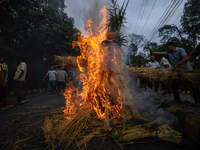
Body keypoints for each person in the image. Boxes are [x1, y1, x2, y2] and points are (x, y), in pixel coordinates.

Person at [150, 42, 200, 106]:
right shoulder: (168, 53)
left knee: (192, 85)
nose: (166, 49)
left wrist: (184, 64)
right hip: (177, 71)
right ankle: (177, 99)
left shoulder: (180, 50)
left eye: (167, 47)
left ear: (171, 46)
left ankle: (198, 101)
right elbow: (161, 53)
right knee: (174, 84)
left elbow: (185, 57)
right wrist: (153, 53)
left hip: (187, 70)